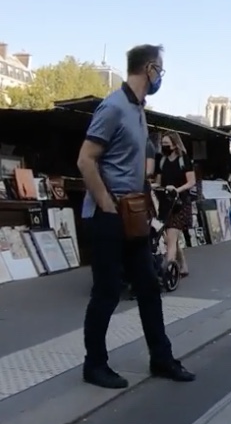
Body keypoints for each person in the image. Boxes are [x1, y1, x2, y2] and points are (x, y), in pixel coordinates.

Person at [77, 44, 194, 389]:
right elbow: (86, 159)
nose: (161, 76)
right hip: (110, 215)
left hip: (135, 213)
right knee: (107, 291)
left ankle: (161, 358)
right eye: (160, 69)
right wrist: (107, 204)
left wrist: (147, 207)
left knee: (148, 287)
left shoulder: (138, 110)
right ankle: (94, 364)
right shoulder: (113, 107)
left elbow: (135, 169)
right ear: (149, 69)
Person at [154, 132, 196, 278]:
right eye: (163, 145)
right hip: (165, 204)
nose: (165, 147)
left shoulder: (184, 160)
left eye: (167, 145)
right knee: (170, 238)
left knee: (171, 237)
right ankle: (183, 266)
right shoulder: (161, 161)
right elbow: (159, 183)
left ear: (175, 145)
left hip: (180, 203)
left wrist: (176, 190)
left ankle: (168, 270)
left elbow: (191, 181)